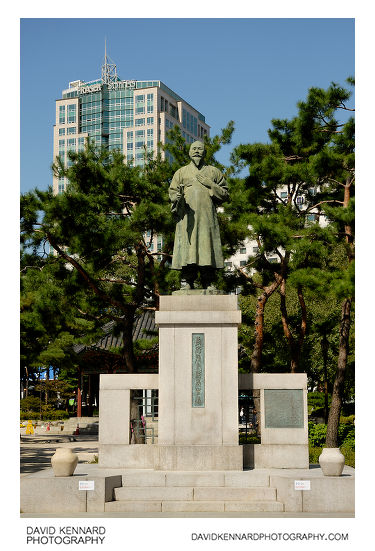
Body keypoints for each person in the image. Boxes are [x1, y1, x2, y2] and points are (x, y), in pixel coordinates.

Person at [169, 141, 228, 289]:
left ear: (204, 152)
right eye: (193, 149)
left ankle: (208, 280)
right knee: (188, 249)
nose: (196, 151)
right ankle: (187, 280)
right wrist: (176, 197)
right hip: (187, 219)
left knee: (207, 247)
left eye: (199, 149)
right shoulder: (181, 172)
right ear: (189, 152)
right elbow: (173, 192)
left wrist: (210, 184)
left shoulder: (214, 172)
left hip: (207, 218)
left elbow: (225, 194)